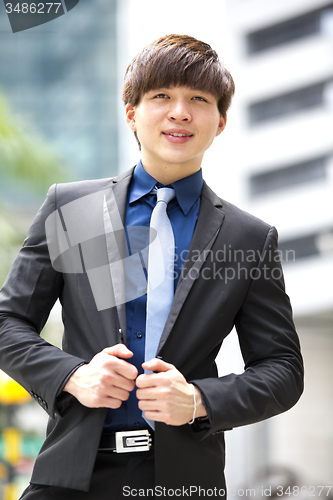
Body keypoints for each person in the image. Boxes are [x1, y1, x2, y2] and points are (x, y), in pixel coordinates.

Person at [0, 34, 303, 499]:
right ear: (131, 114)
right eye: (161, 95)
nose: (179, 112)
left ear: (220, 121)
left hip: (183, 482)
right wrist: (71, 375)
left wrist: (199, 400)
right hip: (68, 477)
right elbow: (7, 322)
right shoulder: (71, 207)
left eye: (198, 99)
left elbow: (282, 370)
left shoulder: (249, 238)